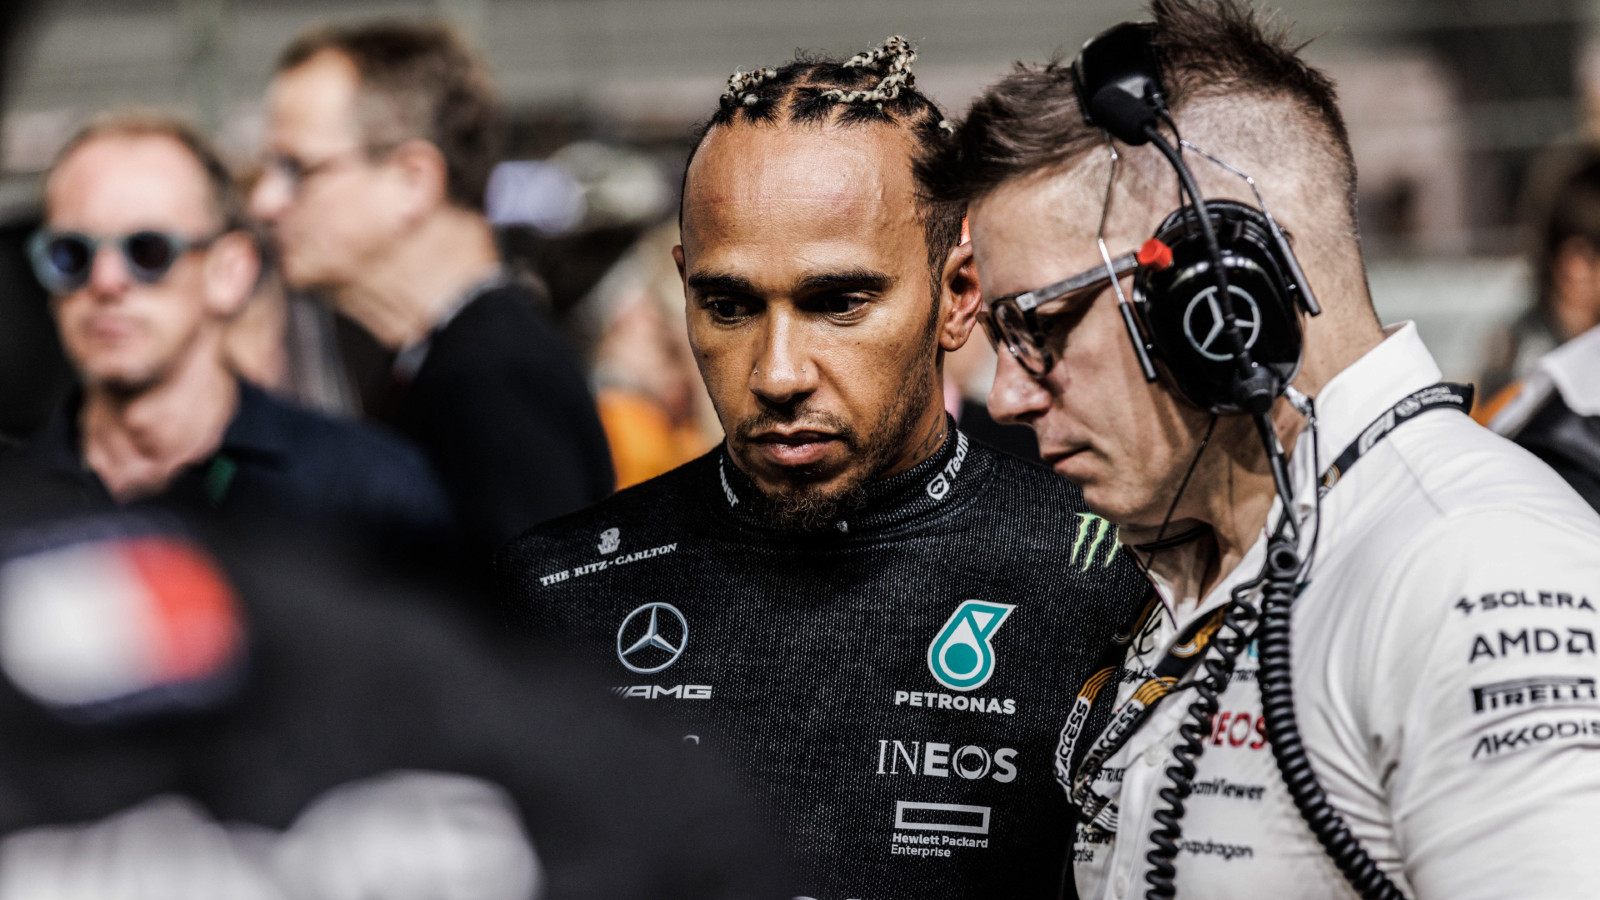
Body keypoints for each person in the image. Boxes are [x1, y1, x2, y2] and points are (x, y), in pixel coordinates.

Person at [920, 2, 1600, 898]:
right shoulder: (1211, 553)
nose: (1007, 392)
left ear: (1221, 297)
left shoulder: (1469, 565)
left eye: (1037, 326)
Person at [498, 37, 1148, 900]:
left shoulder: (1113, 588)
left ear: (958, 296)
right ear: (684, 287)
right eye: (727, 306)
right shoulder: (552, 592)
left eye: (837, 302)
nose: (776, 373)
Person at [249, 21, 614, 555]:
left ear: (412, 180)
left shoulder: (497, 380)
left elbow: (538, 629)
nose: (266, 201)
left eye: (296, 167)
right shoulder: (444, 359)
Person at [8, 113, 449, 543]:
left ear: (230, 272)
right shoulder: (14, 503)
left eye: (148, 251)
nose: (105, 283)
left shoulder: (365, 491)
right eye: (70, 255)